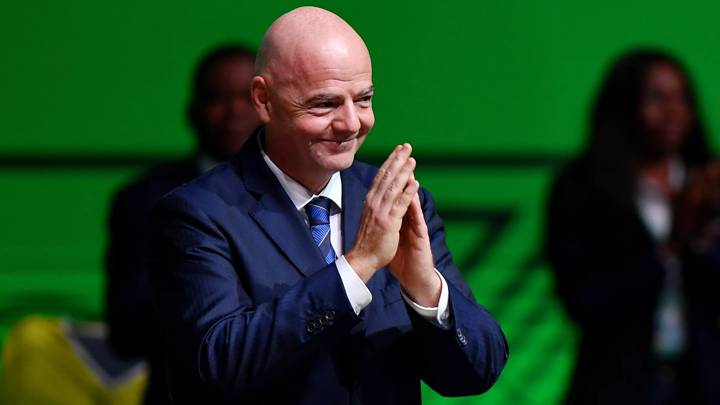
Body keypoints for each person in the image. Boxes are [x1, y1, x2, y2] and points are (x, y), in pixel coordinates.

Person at [148, 6, 508, 404]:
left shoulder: (397, 200)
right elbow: (218, 365)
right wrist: (356, 268)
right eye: (325, 104)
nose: (352, 123)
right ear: (263, 100)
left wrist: (425, 289)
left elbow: (477, 371)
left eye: (364, 99)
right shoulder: (198, 213)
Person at [545, 49, 720, 404]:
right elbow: (584, 300)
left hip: (703, 383)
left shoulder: (707, 182)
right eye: (657, 98)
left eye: (682, 98)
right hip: (619, 385)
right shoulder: (582, 189)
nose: (674, 112)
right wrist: (671, 245)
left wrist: (703, 238)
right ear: (623, 106)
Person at [105, 44, 260, 405]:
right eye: (217, 97)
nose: (234, 111)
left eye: (247, 97)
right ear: (192, 112)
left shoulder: (316, 190)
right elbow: (126, 328)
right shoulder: (146, 199)